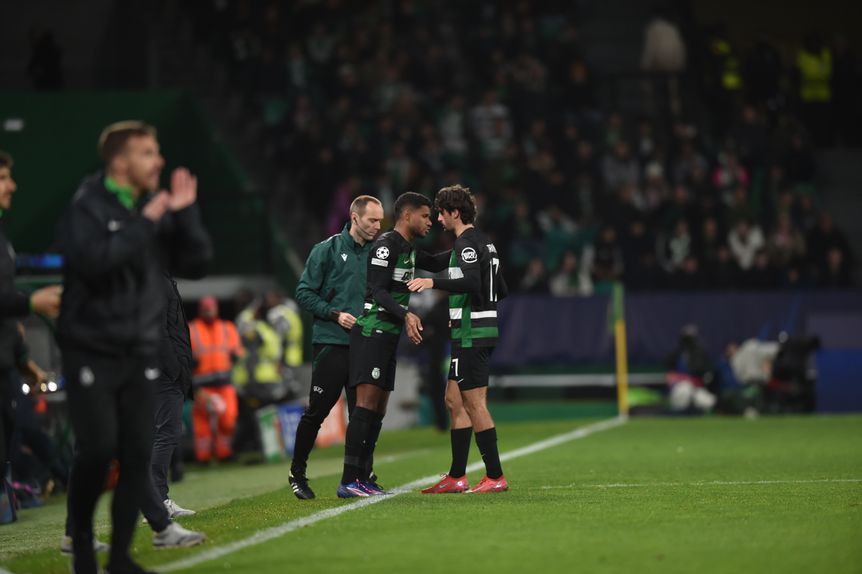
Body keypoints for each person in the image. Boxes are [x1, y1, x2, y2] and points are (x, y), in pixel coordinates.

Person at [56, 121, 206, 573]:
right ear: (120, 162)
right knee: (98, 451)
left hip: (137, 349)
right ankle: (80, 547)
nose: (158, 161)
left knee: (137, 453)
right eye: (147, 153)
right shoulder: (87, 206)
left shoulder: (147, 208)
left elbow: (197, 261)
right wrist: (148, 221)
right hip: (92, 348)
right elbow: (96, 262)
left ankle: (121, 556)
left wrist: (185, 213)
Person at [337, 192, 448, 497]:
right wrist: (406, 314)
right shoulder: (386, 246)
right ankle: (349, 480)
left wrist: (470, 247)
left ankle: (364, 477)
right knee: (365, 407)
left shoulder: (408, 248)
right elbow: (378, 291)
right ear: (407, 215)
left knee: (378, 410)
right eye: (425, 216)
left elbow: (435, 263)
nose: (429, 222)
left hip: (388, 336)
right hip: (372, 332)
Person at [408, 184, 509, 494]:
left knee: (474, 404)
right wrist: (405, 249)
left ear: (454, 212)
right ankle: (456, 477)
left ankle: (495, 476)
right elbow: (500, 288)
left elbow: (471, 281)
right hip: (472, 331)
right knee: (453, 400)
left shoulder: (466, 243)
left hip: (471, 334)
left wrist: (433, 283)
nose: (438, 219)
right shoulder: (482, 243)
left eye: (441, 213)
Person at [289, 195, 383, 500]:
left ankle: (362, 475)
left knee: (362, 414)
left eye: (380, 221)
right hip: (332, 343)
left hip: (364, 345)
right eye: (372, 220)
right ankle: (297, 473)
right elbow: (303, 292)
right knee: (317, 412)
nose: (378, 226)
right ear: (355, 218)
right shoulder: (326, 250)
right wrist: (334, 314)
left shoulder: (378, 254)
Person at [0, 150, 62, 525]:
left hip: (6, 363)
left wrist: (24, 360)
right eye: (3, 177)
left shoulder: (3, 236)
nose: (12, 185)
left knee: (15, 432)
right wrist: (30, 302)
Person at [189, 296, 243, 463]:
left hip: (224, 383)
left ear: (216, 309)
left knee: (228, 419)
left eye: (211, 308)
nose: (208, 311)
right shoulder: (191, 329)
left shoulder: (227, 328)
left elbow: (238, 352)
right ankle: (203, 457)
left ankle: (224, 453)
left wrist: (235, 358)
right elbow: (181, 356)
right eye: (205, 308)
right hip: (201, 386)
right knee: (202, 424)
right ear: (200, 310)